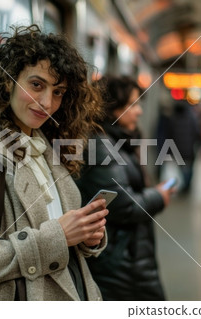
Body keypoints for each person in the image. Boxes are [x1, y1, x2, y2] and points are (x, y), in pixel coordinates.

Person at [0, 25, 108, 301]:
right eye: (36, 85)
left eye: (58, 92)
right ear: (7, 82)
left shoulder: (45, 148)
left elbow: (64, 232)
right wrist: (59, 236)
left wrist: (89, 237)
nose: (47, 102)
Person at [75, 75, 174, 301]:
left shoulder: (115, 140)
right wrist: (159, 196)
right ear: (112, 108)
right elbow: (123, 206)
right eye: (133, 104)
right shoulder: (101, 145)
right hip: (118, 259)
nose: (139, 112)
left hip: (126, 253)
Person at [164, 101, 201, 193]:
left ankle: (186, 184)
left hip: (177, 150)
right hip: (189, 149)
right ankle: (187, 185)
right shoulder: (191, 118)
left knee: (182, 167)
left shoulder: (173, 119)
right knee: (189, 168)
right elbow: (197, 133)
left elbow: (169, 135)